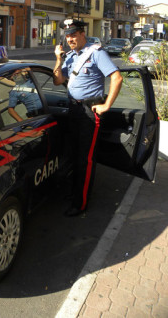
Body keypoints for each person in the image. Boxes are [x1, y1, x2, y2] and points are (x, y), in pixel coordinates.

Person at [53, 18, 123, 217]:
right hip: (73, 110)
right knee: (73, 155)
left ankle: (80, 203)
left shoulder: (96, 53)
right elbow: (58, 80)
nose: (70, 39)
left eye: (74, 34)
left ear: (82, 33)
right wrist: (58, 59)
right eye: (68, 36)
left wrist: (107, 105)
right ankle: (75, 193)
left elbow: (117, 78)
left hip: (89, 112)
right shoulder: (69, 57)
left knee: (85, 159)